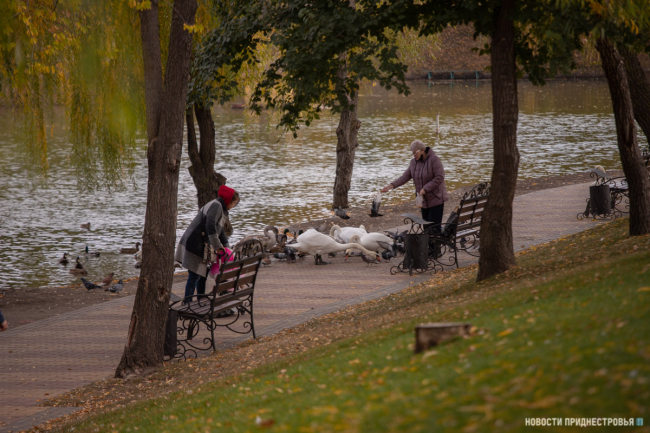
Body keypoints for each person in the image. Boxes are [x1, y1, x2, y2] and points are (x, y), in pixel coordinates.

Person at [175, 185, 239, 303]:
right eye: (234, 203)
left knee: (203, 274)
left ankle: (200, 298)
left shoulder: (222, 209)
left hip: (202, 244)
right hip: (194, 243)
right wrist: (218, 246)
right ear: (228, 200)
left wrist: (227, 247)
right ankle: (187, 302)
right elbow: (210, 226)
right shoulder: (216, 206)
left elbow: (220, 231)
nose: (234, 206)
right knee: (194, 275)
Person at [381, 140, 448, 228]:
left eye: (415, 153)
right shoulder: (413, 163)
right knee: (426, 229)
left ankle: (436, 237)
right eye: (412, 153)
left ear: (422, 150)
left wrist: (425, 189)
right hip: (423, 201)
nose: (414, 155)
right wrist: (390, 186)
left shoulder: (434, 159)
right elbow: (404, 177)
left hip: (436, 200)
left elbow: (440, 177)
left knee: (434, 229)